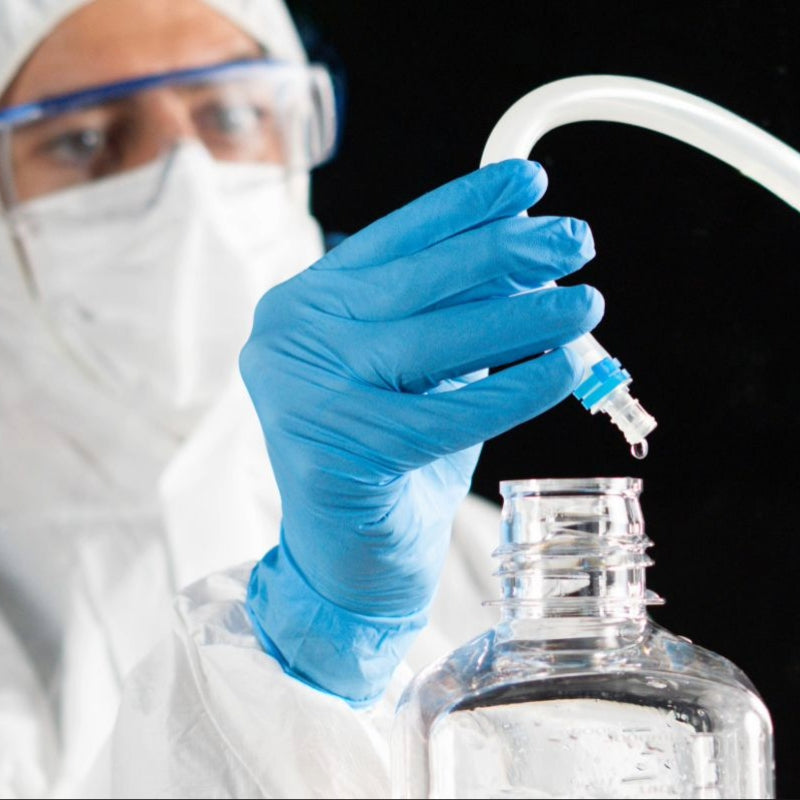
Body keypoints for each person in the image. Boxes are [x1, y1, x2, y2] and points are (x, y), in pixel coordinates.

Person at [0, 0, 602, 797]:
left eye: (232, 113)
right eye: (83, 140)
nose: (192, 185)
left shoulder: (484, 574)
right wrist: (316, 646)